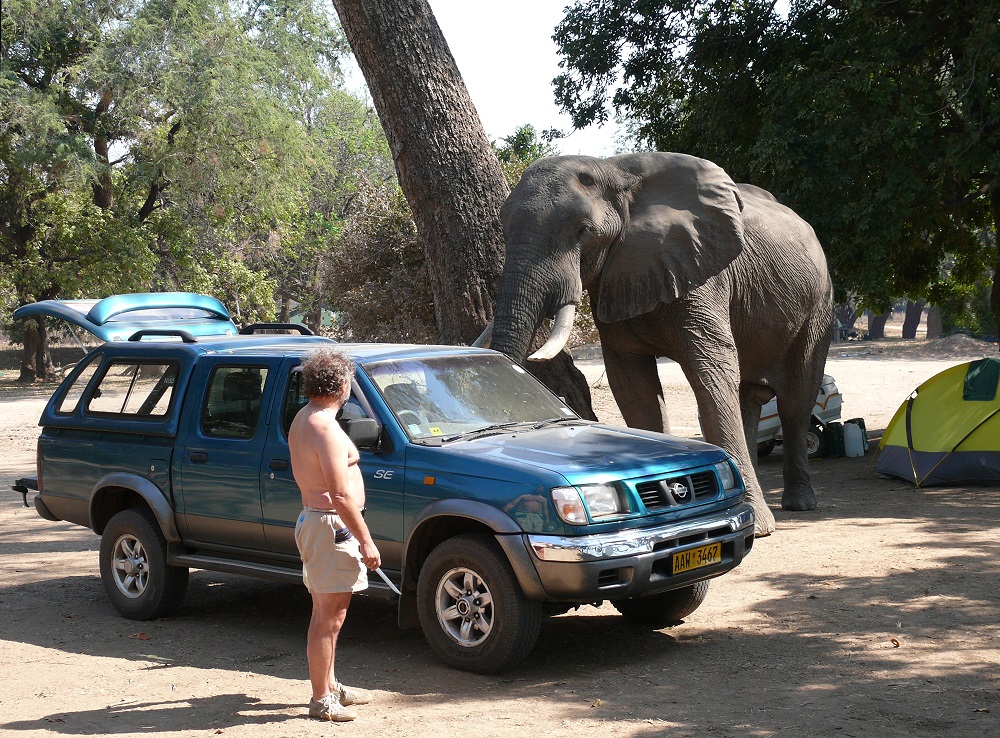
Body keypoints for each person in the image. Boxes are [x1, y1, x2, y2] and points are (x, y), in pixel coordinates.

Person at [288, 348, 381, 722]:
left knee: (327, 615)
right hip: (330, 528)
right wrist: (367, 540)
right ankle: (320, 699)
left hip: (323, 526)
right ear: (342, 384)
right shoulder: (323, 426)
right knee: (329, 618)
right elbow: (340, 495)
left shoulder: (307, 417)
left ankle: (329, 684)